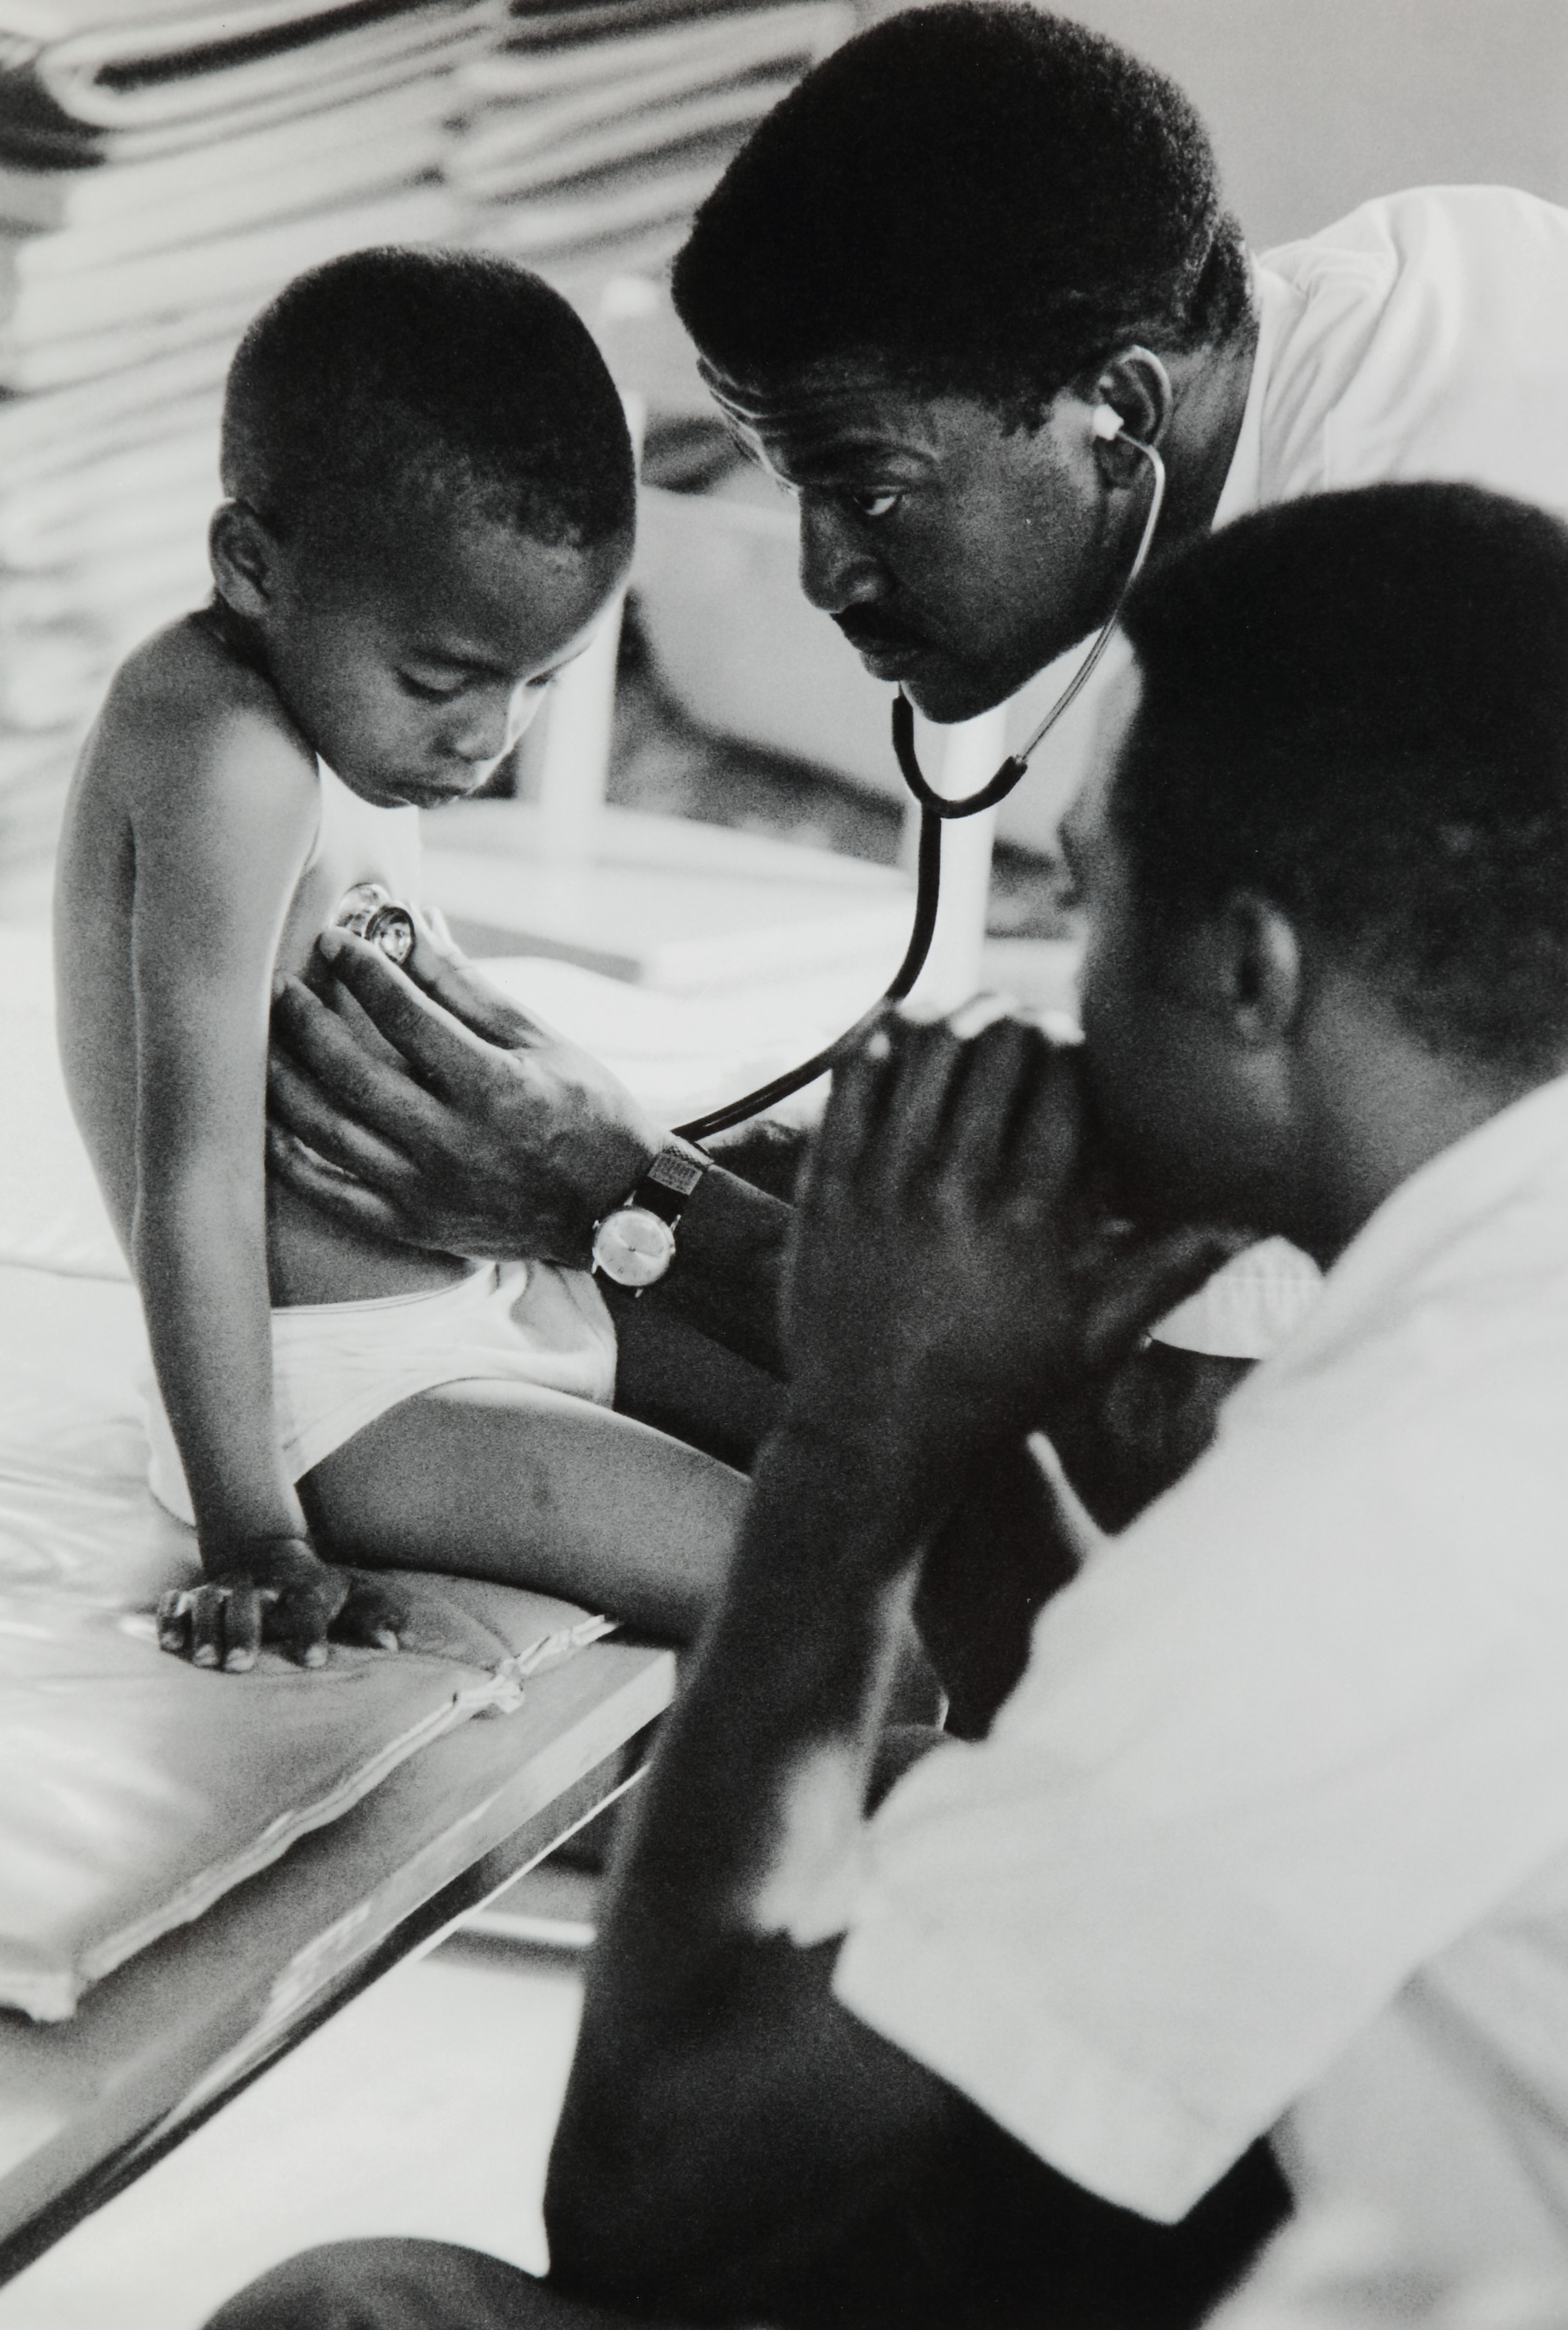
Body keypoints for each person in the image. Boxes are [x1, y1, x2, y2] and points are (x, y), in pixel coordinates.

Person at [207, 483, 1568, 2326]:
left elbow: (652, 2191)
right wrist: (963, 1410)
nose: (1055, 994)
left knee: (359, 2318)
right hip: (1388, 2165)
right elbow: (1136, 1716)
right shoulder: (1494, 1296)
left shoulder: (1406, 1497)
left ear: (1252, 974)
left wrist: (861, 1444)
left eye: (1085, 904)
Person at [261, 3, 1568, 1600]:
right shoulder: (1360, 324)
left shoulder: (1406, 637)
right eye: (784, 478)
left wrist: (627, 1199)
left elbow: (1205, 1451)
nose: (823, 569)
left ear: (1123, 415)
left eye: (868, 487)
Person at [54, 247, 748, 1676]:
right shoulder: (220, 755)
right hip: (352, 1398)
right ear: (252, 566)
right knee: (842, 1600)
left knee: (922, 1469)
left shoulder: (333, 685)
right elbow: (189, 1178)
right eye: (442, 683)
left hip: (501, 1297)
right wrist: (253, 1535)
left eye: (541, 681)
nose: (487, 740)